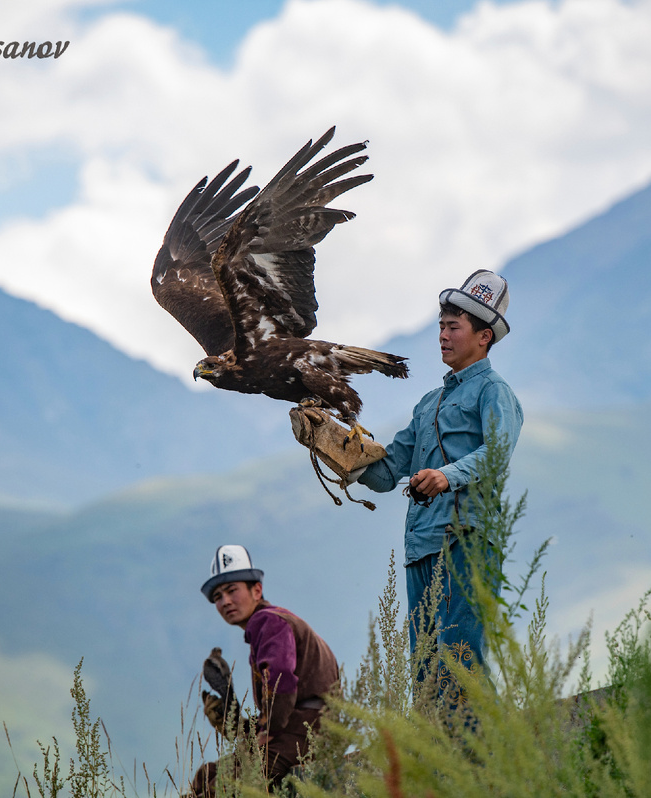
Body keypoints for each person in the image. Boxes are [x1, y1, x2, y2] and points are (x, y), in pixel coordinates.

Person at [356, 269, 523, 682]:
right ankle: (438, 746)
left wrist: (447, 475)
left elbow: (498, 453)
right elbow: (385, 473)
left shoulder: (493, 391)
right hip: (421, 545)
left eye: (454, 327)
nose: (443, 336)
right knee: (426, 669)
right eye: (441, 327)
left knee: (461, 660)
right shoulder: (428, 404)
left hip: (468, 537)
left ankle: (483, 748)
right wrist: (344, 453)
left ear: (484, 336)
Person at [191, 545, 339, 797]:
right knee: (207, 776)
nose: (225, 601)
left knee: (221, 789)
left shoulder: (267, 621)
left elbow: (281, 681)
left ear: (256, 590)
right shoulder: (273, 623)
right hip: (303, 728)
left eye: (231, 590)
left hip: (306, 733)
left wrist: (266, 732)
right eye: (217, 597)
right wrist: (236, 724)